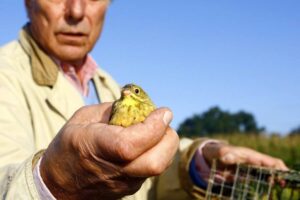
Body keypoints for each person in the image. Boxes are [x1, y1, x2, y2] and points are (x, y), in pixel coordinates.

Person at [0, 0, 287, 199]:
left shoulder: (107, 84)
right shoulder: (6, 74)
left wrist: (199, 164)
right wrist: (55, 182)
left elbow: (146, 180)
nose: (76, 10)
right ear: (28, 2)